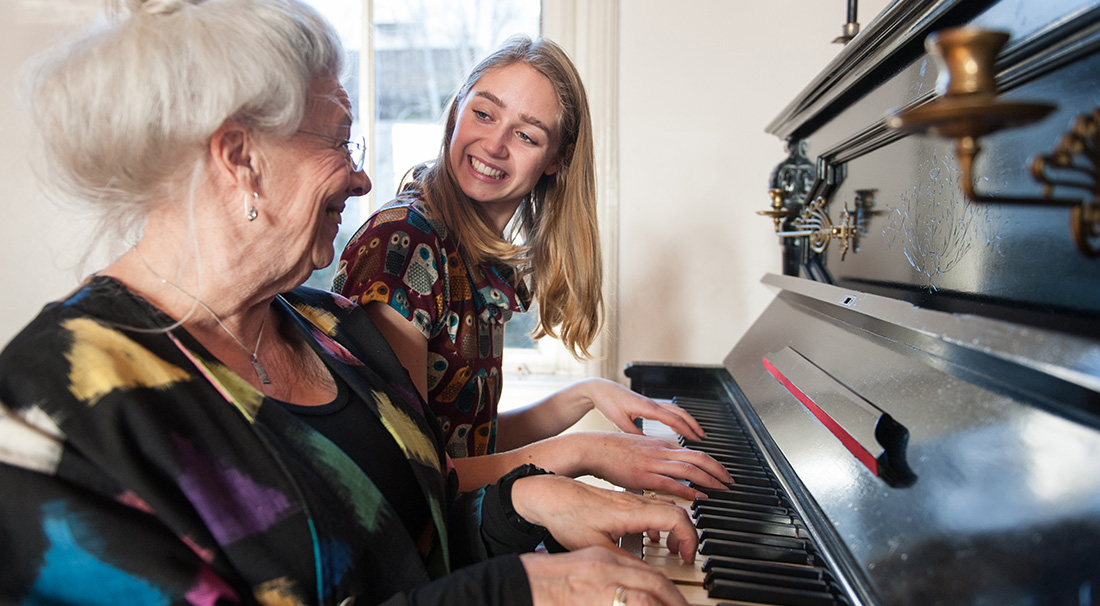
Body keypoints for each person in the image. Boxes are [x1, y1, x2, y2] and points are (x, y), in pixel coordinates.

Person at [0, 1, 698, 604]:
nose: (364, 178)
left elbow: (412, 533)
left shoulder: (331, 331)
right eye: (338, 139)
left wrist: (531, 501)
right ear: (241, 155)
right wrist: (512, 584)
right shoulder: (49, 412)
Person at [335, 37, 732, 496]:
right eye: (483, 114)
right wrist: (586, 452)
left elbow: (467, 440)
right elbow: (412, 475)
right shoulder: (403, 244)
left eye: (526, 135)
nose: (495, 144)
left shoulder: (466, 250)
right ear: (456, 112)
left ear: (557, 160)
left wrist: (586, 395)